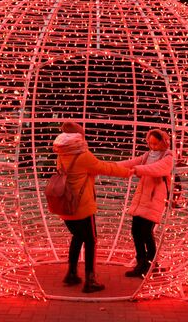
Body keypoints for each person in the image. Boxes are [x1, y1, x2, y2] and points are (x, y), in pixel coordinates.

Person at [52, 121, 132, 293]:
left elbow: (85, 171)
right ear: (78, 137)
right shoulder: (83, 156)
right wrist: (128, 172)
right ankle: (90, 280)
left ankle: (72, 273)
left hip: (66, 205)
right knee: (91, 241)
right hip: (82, 208)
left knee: (77, 237)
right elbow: (103, 168)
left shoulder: (61, 153)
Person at [118, 129, 174, 278]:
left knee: (146, 233)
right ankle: (141, 262)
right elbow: (130, 162)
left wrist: (137, 170)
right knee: (136, 232)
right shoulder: (147, 155)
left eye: (155, 144)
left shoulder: (168, 157)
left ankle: (151, 265)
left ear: (163, 142)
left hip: (155, 197)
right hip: (142, 198)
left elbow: (156, 169)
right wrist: (112, 166)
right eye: (149, 143)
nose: (152, 146)